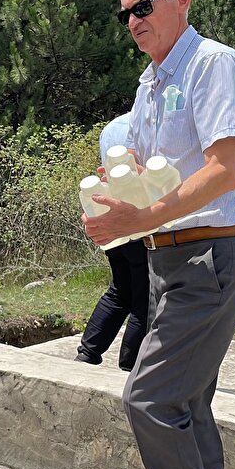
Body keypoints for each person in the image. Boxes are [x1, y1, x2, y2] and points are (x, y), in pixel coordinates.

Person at [81, 0, 235, 469]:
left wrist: (138, 217)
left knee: (151, 398)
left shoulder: (214, 65)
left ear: (182, 0)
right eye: (126, 13)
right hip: (170, 257)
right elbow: (156, 168)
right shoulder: (150, 83)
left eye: (144, 7)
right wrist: (118, 184)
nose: (133, 21)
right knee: (187, 403)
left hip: (211, 253)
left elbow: (222, 171)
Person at [76, 113, 149, 371]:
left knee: (120, 290)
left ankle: (87, 353)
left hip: (108, 216)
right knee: (145, 297)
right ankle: (130, 365)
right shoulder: (144, 123)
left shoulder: (111, 128)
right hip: (136, 218)